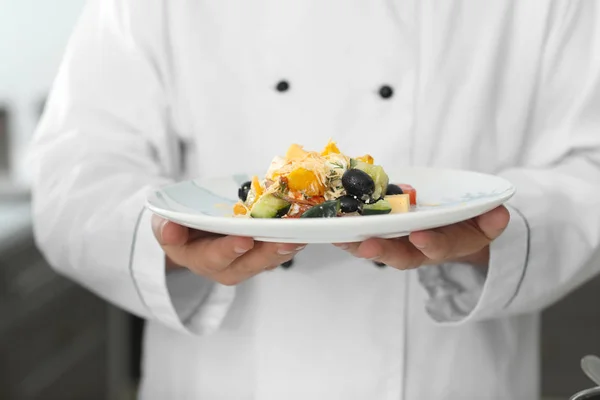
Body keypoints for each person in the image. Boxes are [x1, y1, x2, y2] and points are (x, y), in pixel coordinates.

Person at [29, 0, 600, 399]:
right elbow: (75, 173)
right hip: (225, 380)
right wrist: (171, 240)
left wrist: (493, 238)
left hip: (449, 378)